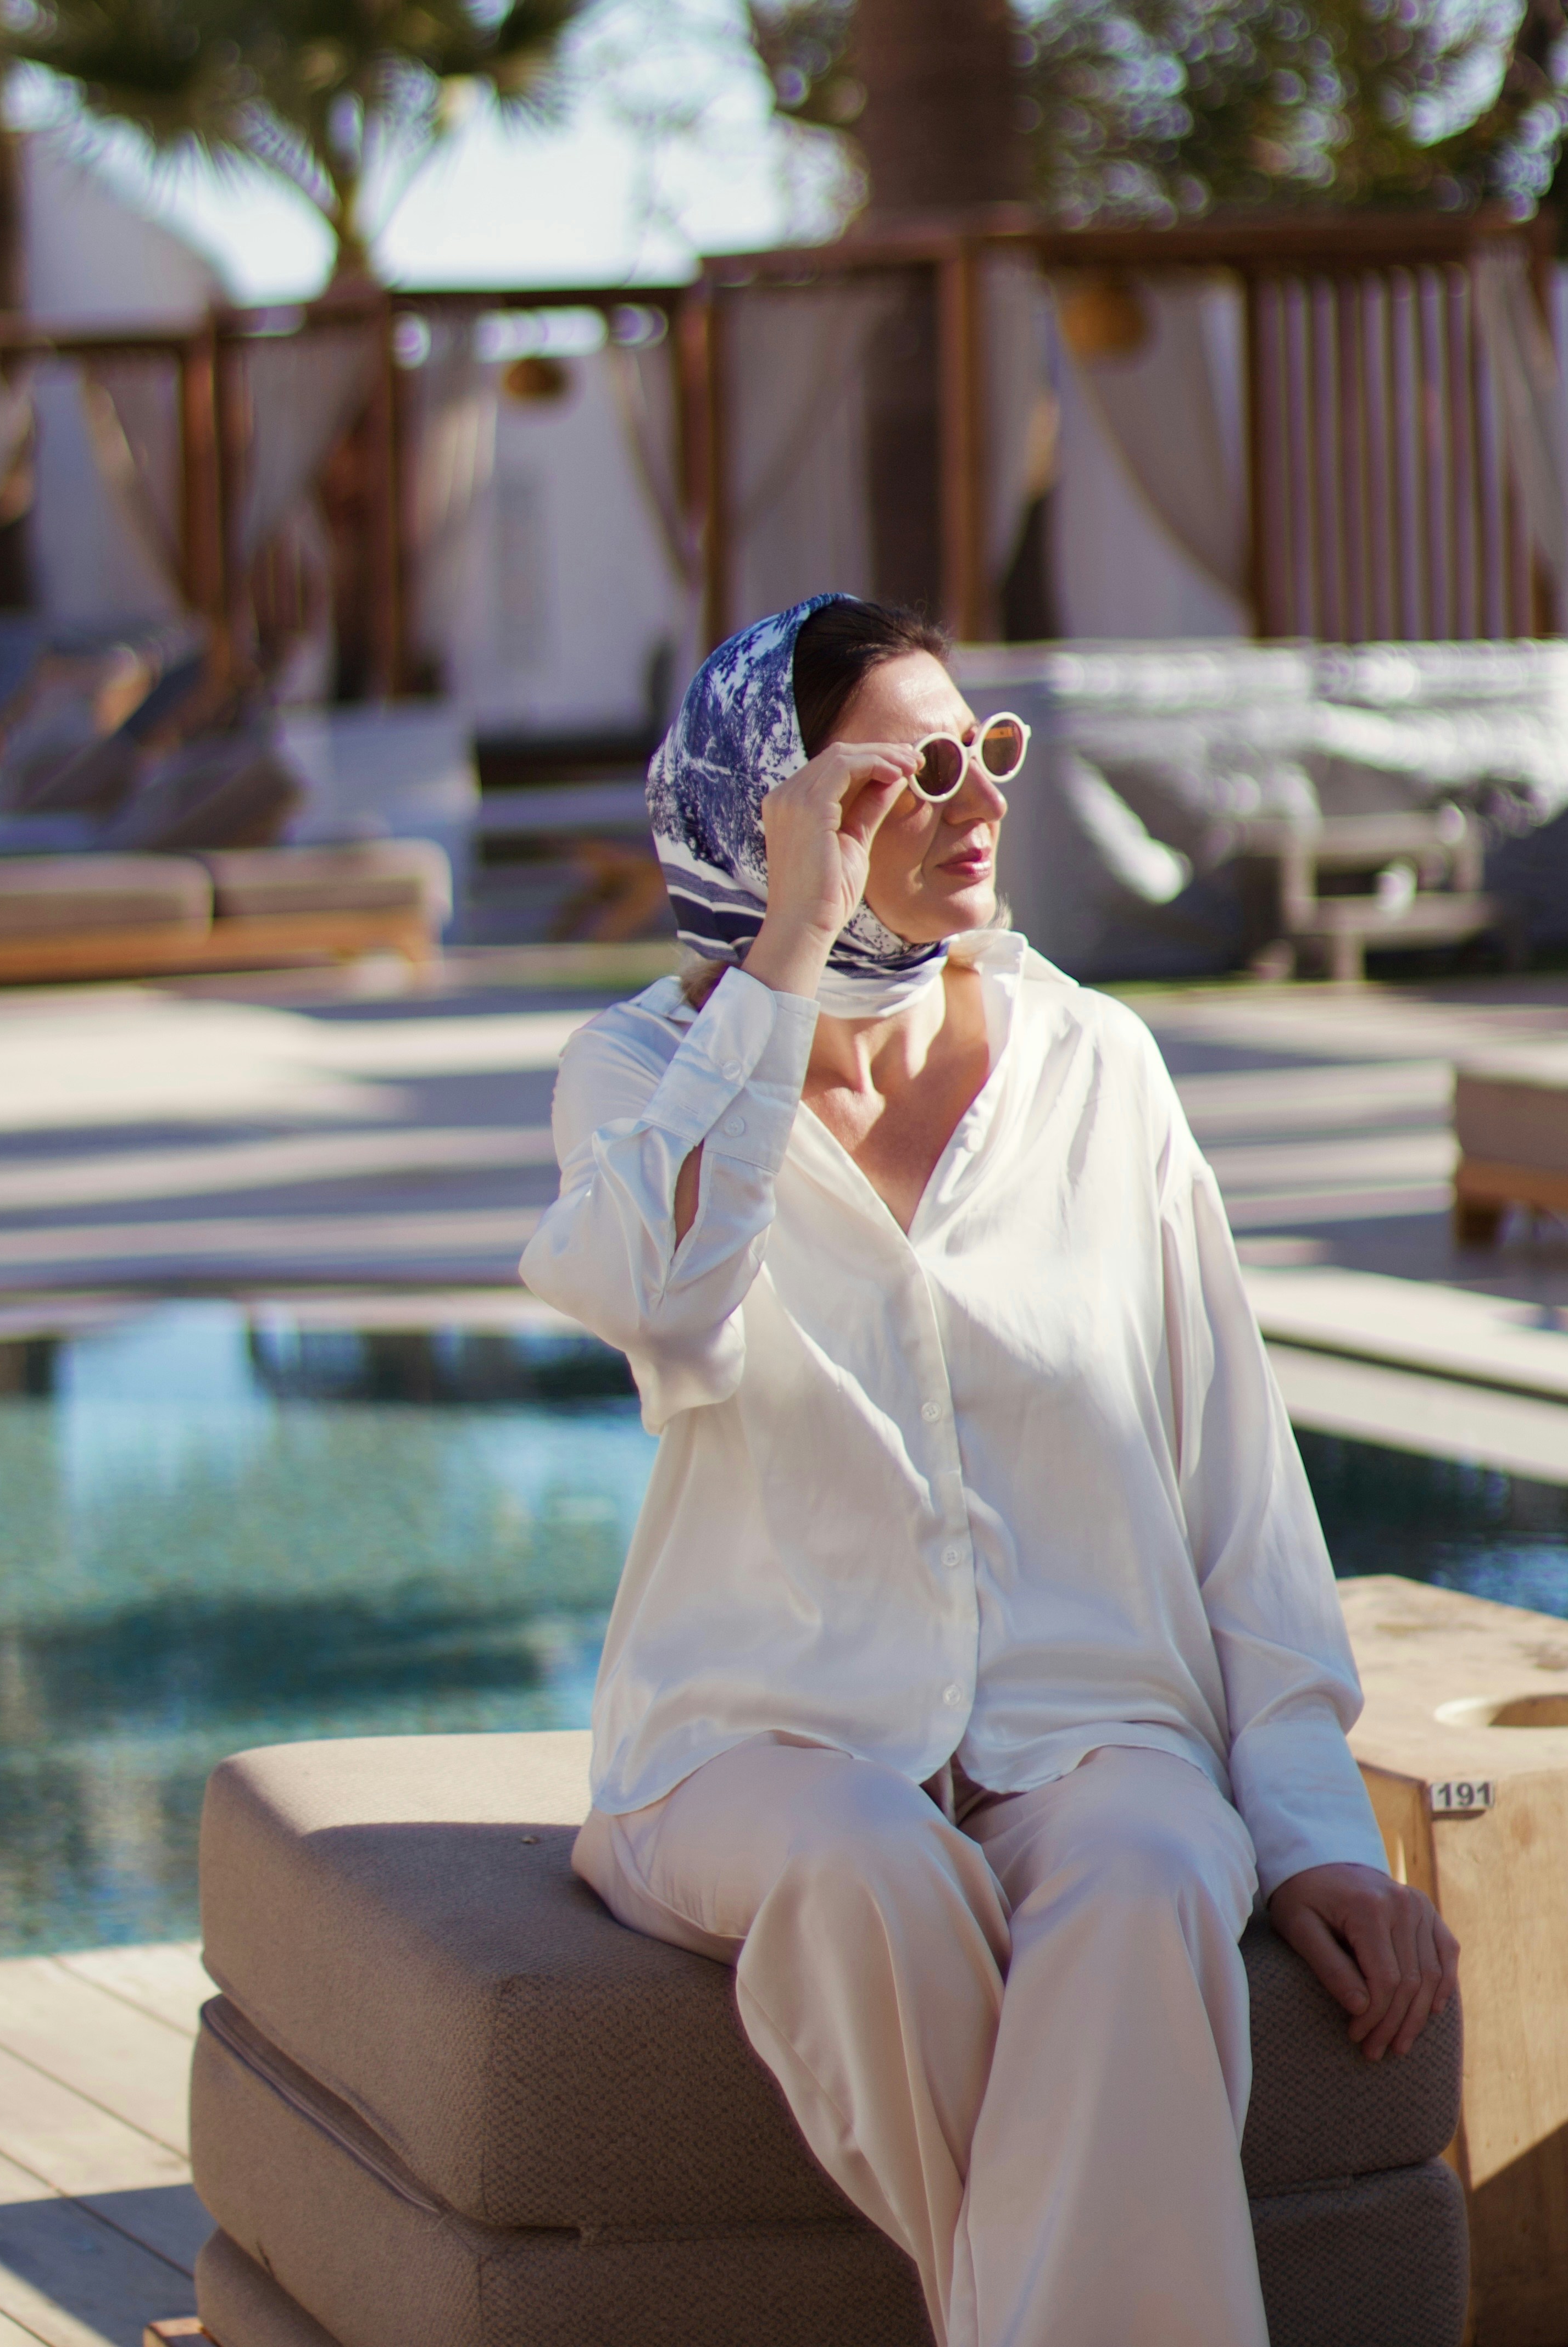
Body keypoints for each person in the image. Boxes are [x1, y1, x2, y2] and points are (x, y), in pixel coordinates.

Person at [519, 593, 1458, 2347]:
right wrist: (789, 953)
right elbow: (663, 1301)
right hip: (756, 1748)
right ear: (777, 817)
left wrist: (1315, 1833)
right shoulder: (641, 1076)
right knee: (867, 1865)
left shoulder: (1097, 1068)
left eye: (988, 751)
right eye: (913, 773)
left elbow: (1237, 1484)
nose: (981, 799)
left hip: (1092, 1735)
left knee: (1153, 1871)